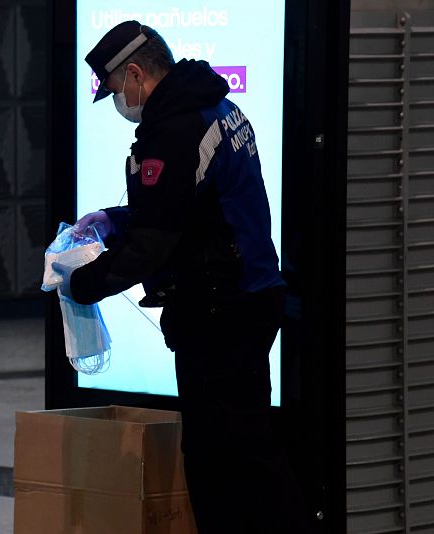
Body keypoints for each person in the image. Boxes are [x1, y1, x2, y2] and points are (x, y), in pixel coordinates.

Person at [54, 21, 308, 534]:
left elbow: (152, 245)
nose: (118, 102)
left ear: (134, 73)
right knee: (245, 451)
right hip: (247, 300)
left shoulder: (175, 129)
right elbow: (188, 209)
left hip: (222, 314)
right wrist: (113, 218)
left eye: (114, 91)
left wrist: (79, 285)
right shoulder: (214, 106)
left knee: (225, 462)